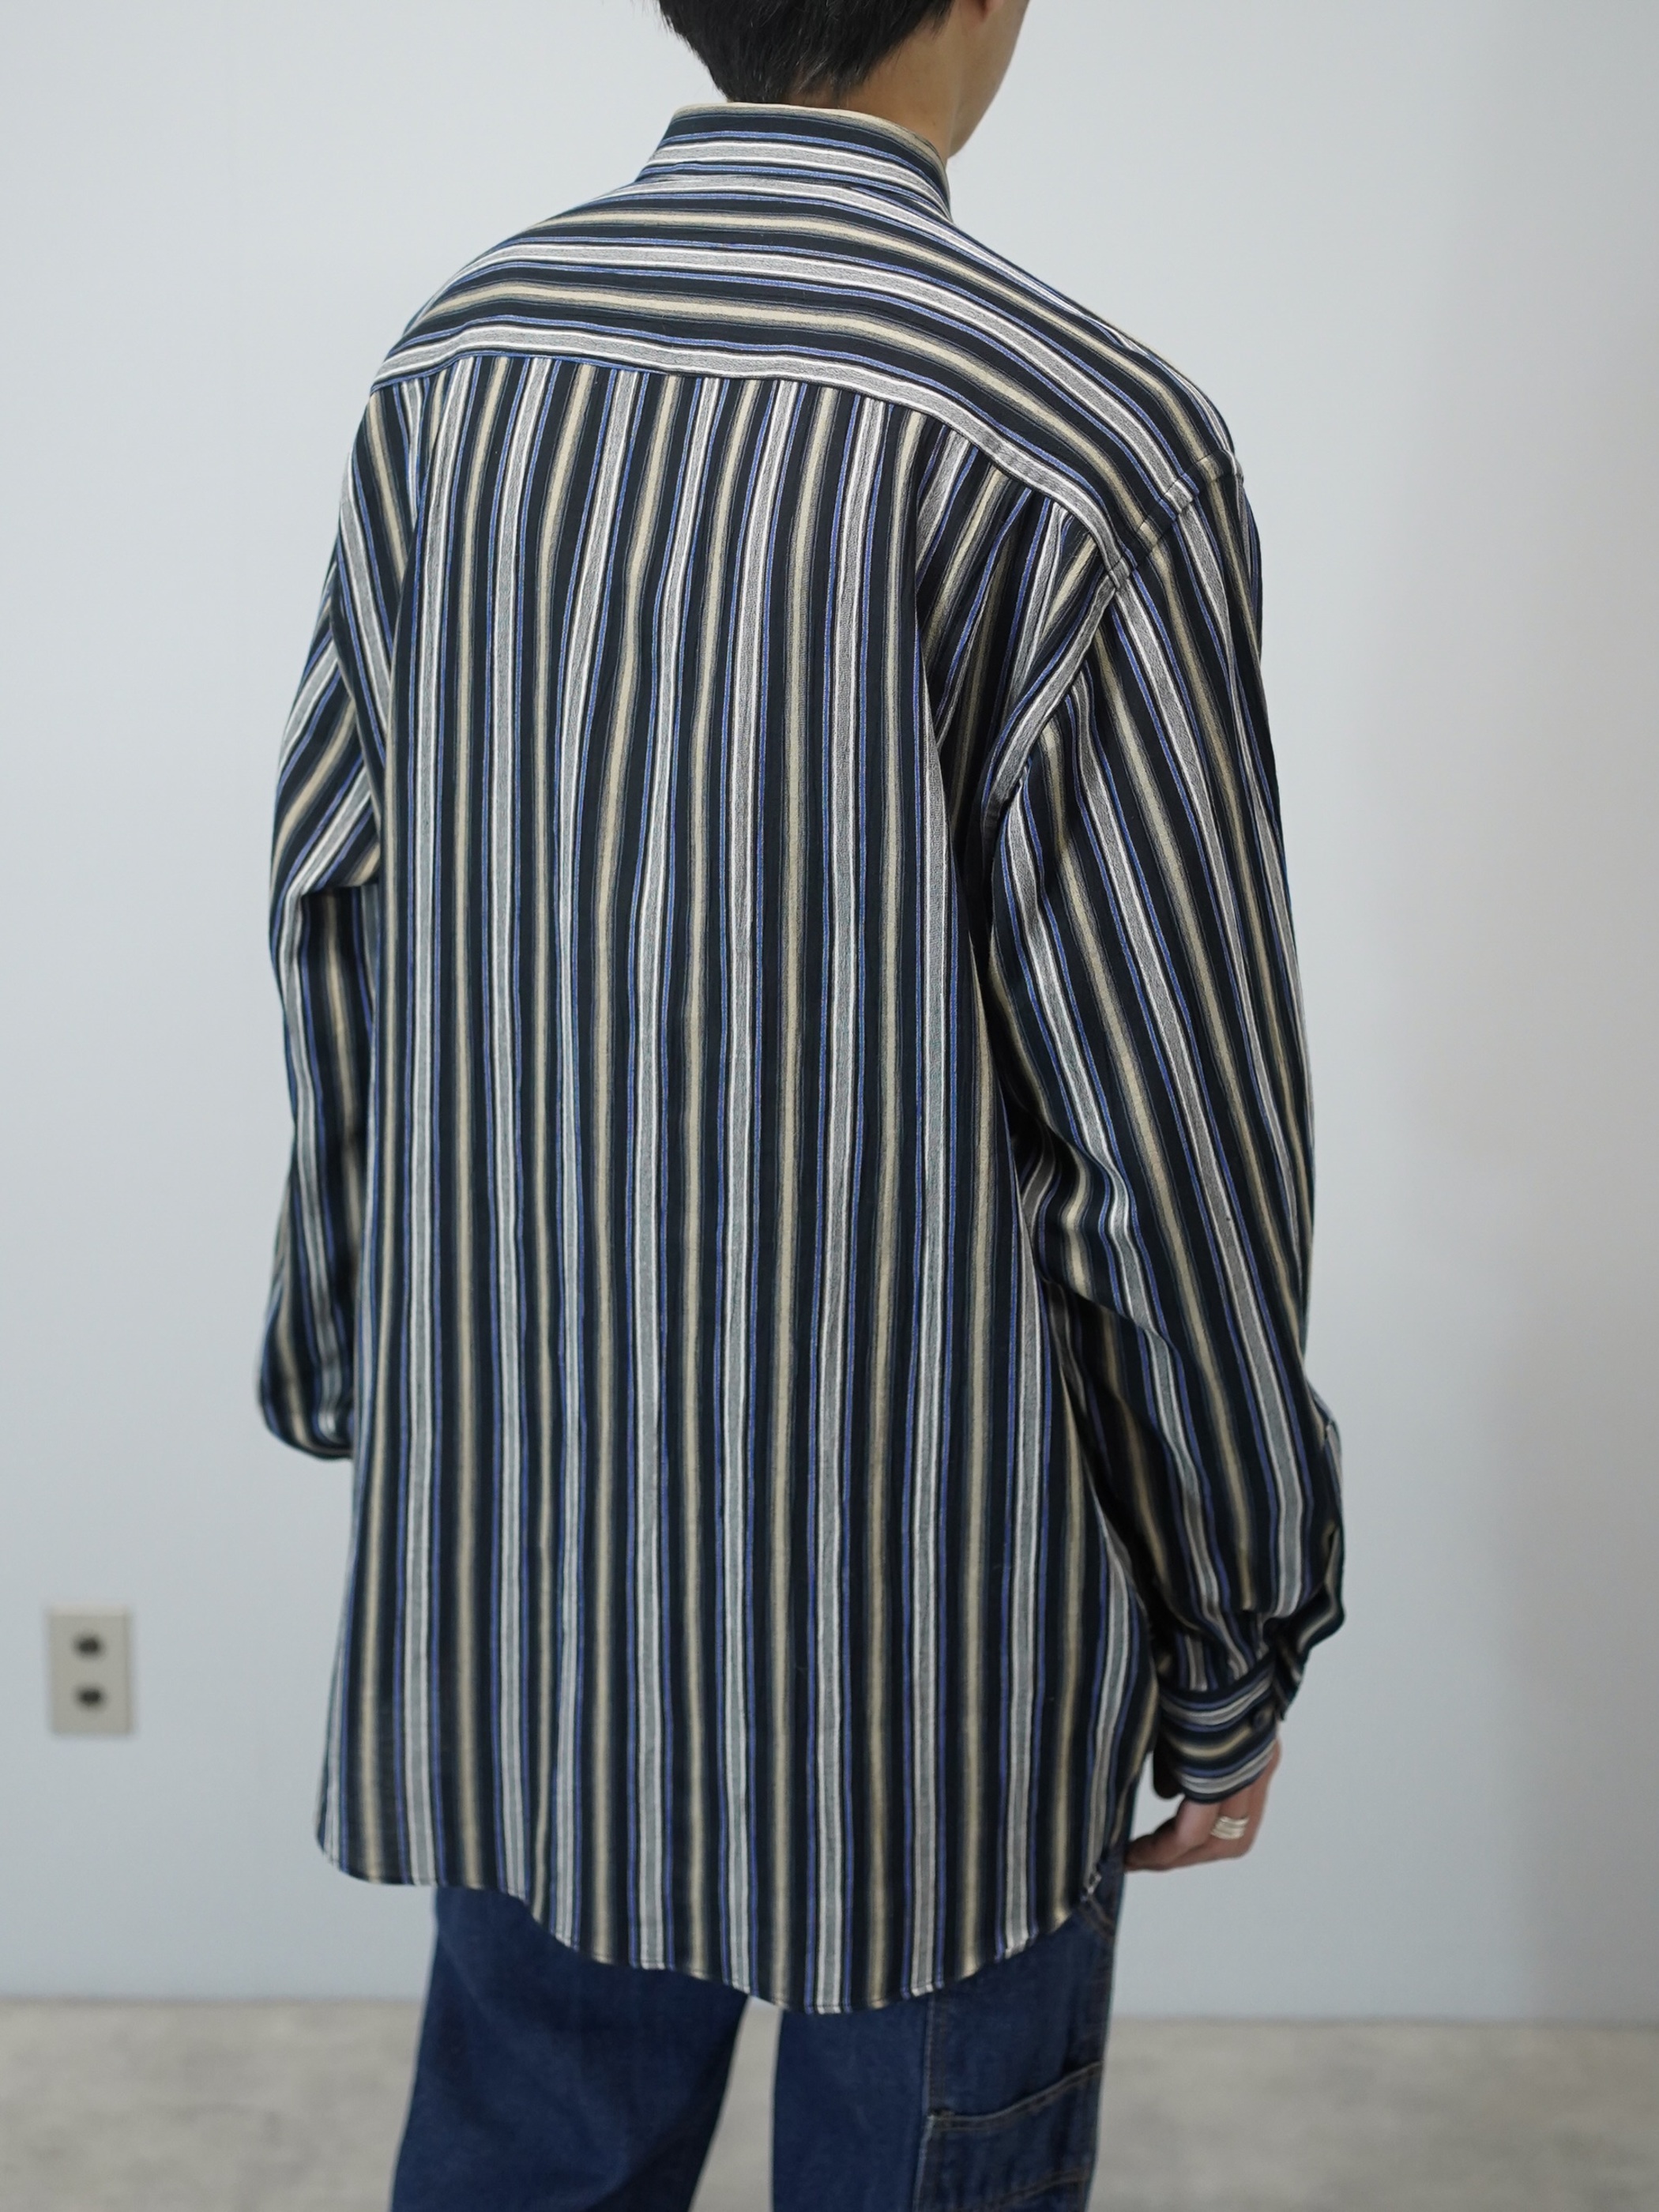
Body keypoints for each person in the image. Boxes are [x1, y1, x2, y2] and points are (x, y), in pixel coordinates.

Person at [259, 0, 1345, 2203]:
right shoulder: (1077, 437)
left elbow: (333, 901)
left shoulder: (462, 364)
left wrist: (372, 1365)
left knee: (531, 2143)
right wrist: (1234, 1622)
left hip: (539, 1549)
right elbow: (1170, 1128)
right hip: (930, 1629)